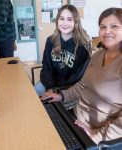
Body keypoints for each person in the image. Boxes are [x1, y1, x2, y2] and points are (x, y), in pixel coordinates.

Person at [41, 7, 122, 144]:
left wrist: (94, 135)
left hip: (94, 134)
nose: (107, 31)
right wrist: (61, 95)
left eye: (114, 26)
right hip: (75, 119)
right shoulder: (97, 56)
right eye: (103, 27)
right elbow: (82, 84)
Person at [35, 4, 93, 96]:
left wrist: (59, 91)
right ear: (57, 21)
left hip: (70, 88)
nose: (65, 23)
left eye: (69, 19)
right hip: (50, 83)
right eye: (61, 18)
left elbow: (80, 76)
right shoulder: (50, 41)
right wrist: (49, 87)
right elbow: (46, 67)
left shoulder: (83, 46)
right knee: (36, 91)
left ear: (76, 22)